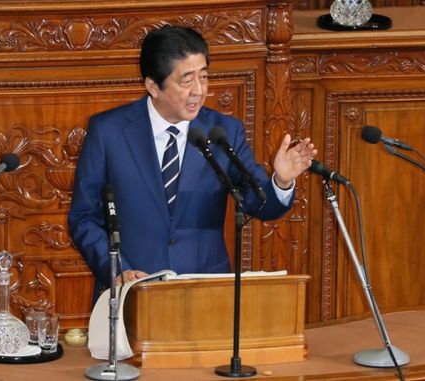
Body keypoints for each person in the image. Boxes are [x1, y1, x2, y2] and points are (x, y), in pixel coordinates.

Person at [68, 26, 316, 298]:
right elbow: (83, 217)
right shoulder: (108, 132)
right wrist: (117, 270)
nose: (199, 91)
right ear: (153, 86)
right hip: (131, 293)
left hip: (205, 296)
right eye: (187, 81)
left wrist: (281, 180)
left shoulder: (224, 132)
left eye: (204, 77)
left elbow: (257, 202)